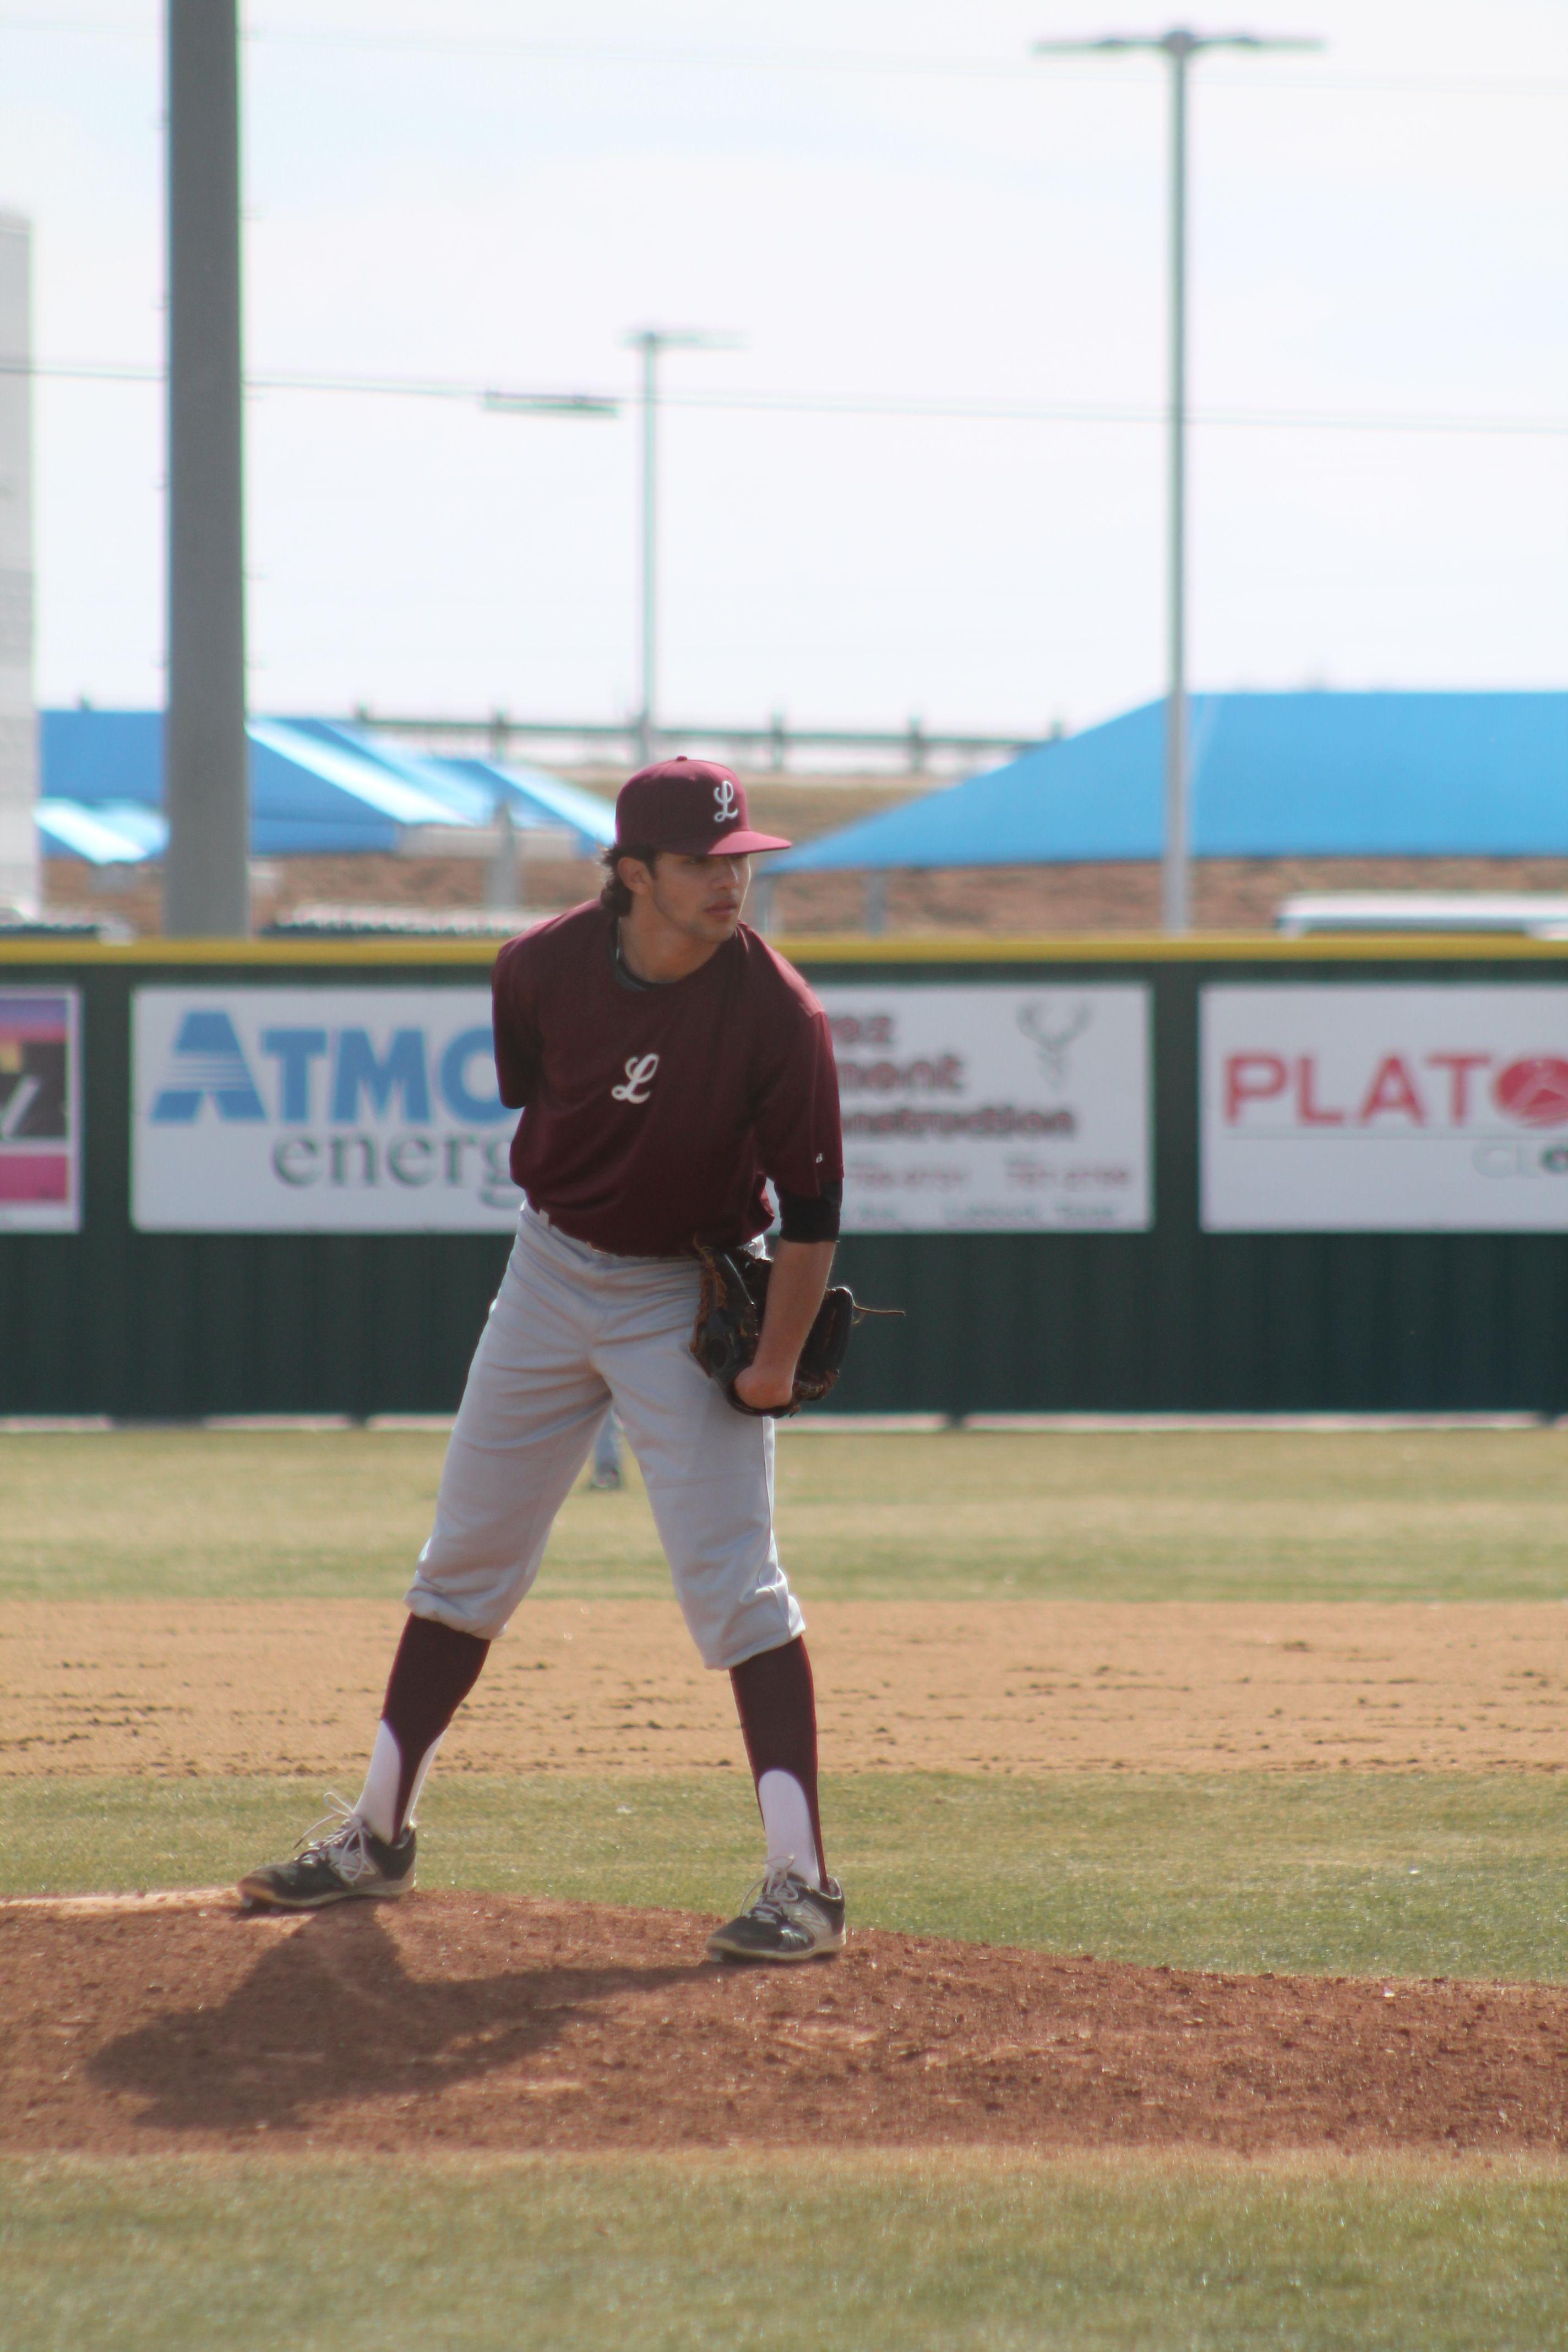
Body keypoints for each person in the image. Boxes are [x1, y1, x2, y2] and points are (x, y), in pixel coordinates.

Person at [238, 756, 848, 1963]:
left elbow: (815, 1210)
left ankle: (804, 1884)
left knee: (735, 1585)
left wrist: (773, 1365)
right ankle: (377, 1835)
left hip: (686, 1289)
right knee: (461, 1561)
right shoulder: (538, 967)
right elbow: (546, 1100)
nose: (733, 884)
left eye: (742, 862)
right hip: (548, 1273)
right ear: (630, 873)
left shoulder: (778, 1013)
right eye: (702, 865)